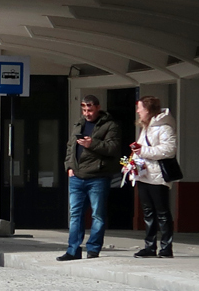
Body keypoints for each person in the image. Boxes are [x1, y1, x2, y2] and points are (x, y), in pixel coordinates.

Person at [59, 95, 121, 261]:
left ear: (98, 108)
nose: (87, 113)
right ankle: (73, 250)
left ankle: (93, 248)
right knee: (75, 214)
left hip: (98, 177)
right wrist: (69, 167)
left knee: (98, 215)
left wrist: (91, 144)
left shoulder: (110, 125)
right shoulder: (79, 124)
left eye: (90, 110)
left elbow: (113, 148)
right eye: (84, 110)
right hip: (76, 176)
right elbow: (70, 147)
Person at [131, 95, 177, 258]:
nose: (138, 111)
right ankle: (150, 246)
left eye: (140, 108)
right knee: (148, 212)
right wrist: (132, 165)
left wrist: (143, 151)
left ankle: (166, 247)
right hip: (144, 175)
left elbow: (169, 150)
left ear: (148, 110)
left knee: (162, 212)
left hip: (158, 176)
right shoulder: (146, 127)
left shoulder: (164, 127)